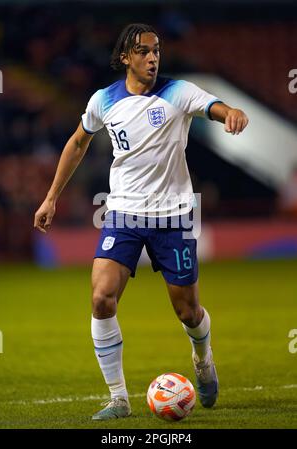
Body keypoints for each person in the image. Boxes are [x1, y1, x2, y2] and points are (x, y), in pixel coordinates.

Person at [34, 23, 249, 420]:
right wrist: (51, 198)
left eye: (157, 51)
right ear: (125, 58)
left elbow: (214, 107)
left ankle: (203, 360)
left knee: (188, 312)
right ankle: (118, 399)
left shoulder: (177, 92)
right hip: (123, 215)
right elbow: (78, 142)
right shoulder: (104, 101)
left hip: (173, 217)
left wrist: (231, 112)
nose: (153, 58)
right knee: (101, 298)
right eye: (144, 52)